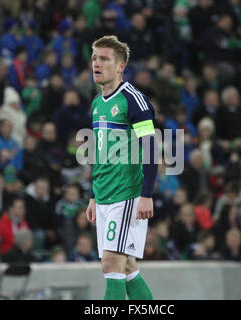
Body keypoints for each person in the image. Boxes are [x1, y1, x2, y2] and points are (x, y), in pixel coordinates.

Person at [85, 36, 157, 300]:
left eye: (104, 59)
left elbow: (151, 147)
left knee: (110, 264)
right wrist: (93, 195)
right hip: (104, 195)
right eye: (94, 58)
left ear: (120, 67)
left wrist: (147, 194)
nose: (97, 63)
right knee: (126, 267)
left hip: (126, 195)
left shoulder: (133, 100)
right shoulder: (96, 104)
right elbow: (99, 152)